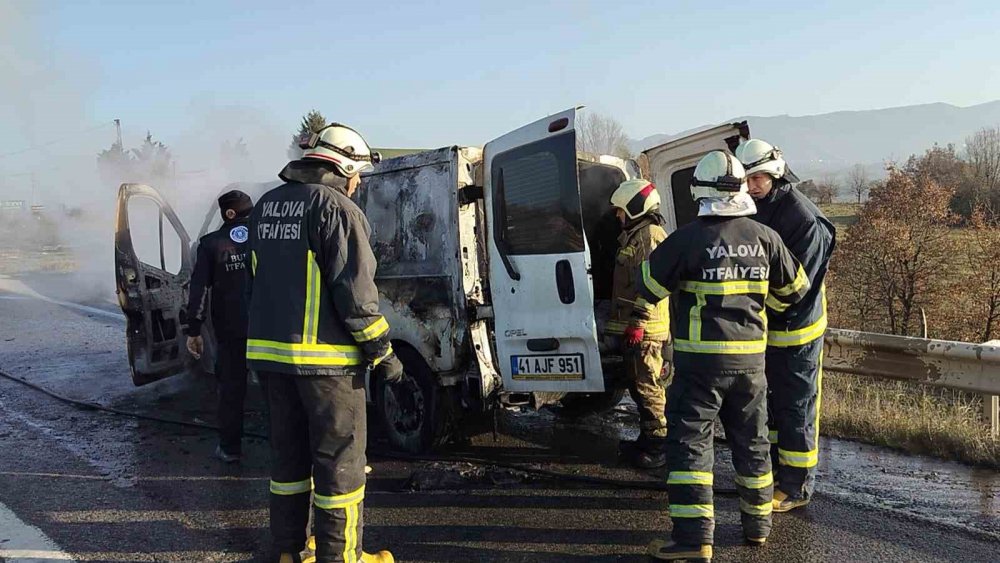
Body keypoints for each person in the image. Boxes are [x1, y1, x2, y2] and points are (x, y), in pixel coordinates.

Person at [637, 151, 810, 561]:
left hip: (699, 368)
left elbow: (647, 288)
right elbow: (796, 294)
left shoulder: (687, 239)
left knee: (691, 448)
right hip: (751, 366)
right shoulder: (766, 238)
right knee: (752, 444)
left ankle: (694, 541)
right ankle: (757, 528)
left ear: (700, 192)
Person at [247, 123, 401, 563]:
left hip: (272, 363)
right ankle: (341, 558)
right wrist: (384, 354)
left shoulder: (265, 207)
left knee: (289, 465)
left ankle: (288, 552)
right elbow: (356, 297)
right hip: (328, 368)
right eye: (357, 178)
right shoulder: (336, 209)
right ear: (345, 168)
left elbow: (253, 284)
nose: (357, 187)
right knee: (341, 467)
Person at [736, 139, 836, 512]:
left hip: (797, 330)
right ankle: (778, 471)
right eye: (746, 179)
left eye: (757, 178)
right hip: (767, 329)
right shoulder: (757, 208)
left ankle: (796, 486)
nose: (751, 185)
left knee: (796, 407)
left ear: (775, 174)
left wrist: (751, 309)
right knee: (774, 406)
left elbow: (798, 290)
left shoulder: (802, 220)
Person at [606, 178, 672, 469]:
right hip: (636, 325)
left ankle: (659, 447)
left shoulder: (650, 236)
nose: (618, 216)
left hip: (647, 328)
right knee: (638, 385)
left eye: (621, 211)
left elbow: (653, 283)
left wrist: (638, 321)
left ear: (635, 208)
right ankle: (648, 440)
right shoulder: (636, 235)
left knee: (648, 386)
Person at [185, 189, 253, 463]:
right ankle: (285, 452)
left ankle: (229, 448)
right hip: (269, 326)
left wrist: (194, 329)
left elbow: (199, 288)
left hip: (230, 329)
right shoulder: (267, 237)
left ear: (227, 213)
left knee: (231, 389)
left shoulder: (212, 244)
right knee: (278, 391)